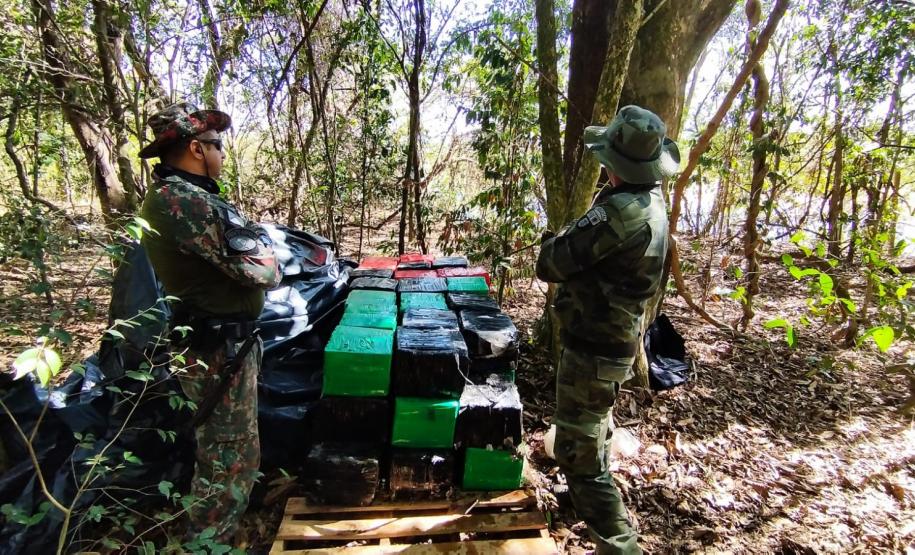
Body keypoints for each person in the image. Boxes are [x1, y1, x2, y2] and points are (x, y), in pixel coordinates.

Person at [536, 105, 679, 554]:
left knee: (581, 461)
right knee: (595, 428)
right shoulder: (653, 205)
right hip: (613, 343)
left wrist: (553, 239)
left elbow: (551, 263)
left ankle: (620, 544)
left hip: (595, 349)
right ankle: (580, 501)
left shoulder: (619, 214)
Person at [138, 102, 282, 542]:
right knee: (228, 460)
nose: (222, 153)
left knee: (227, 452)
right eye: (217, 145)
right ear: (197, 149)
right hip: (216, 349)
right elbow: (264, 270)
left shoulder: (181, 197)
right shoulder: (182, 202)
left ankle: (215, 537)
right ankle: (208, 543)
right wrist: (261, 246)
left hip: (221, 345)